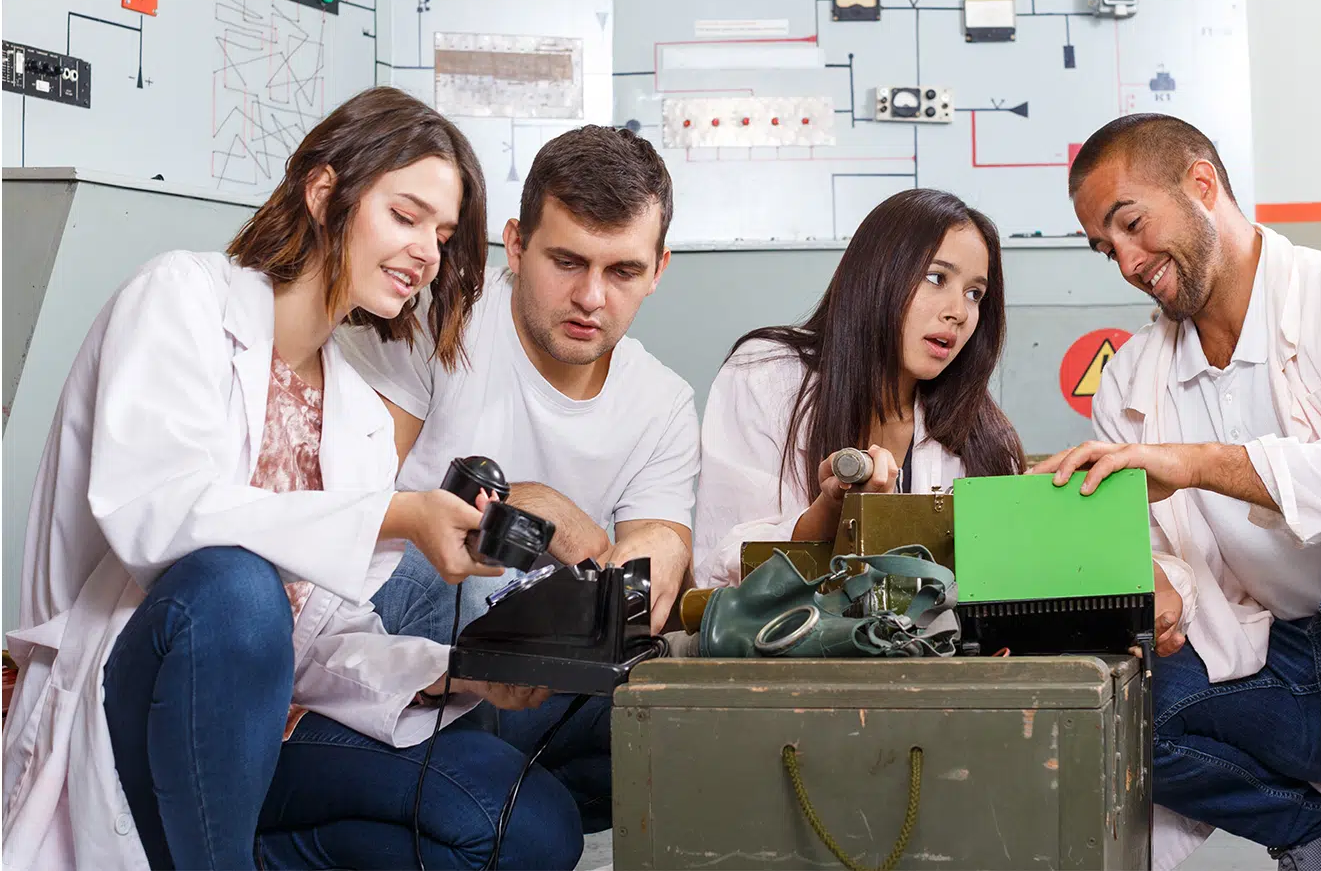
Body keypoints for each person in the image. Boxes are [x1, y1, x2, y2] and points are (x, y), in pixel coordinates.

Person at [1, 87, 585, 871]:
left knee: (531, 822)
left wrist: (460, 670)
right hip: (141, 713)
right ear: (323, 193)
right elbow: (155, 517)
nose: (427, 253)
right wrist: (397, 516)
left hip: (270, 736)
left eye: (442, 236)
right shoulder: (181, 297)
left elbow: (320, 642)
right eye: (406, 216)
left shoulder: (359, 413)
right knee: (233, 586)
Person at [1035, 113, 1321, 871]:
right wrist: (1160, 586)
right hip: (1288, 676)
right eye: (1104, 246)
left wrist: (1199, 463)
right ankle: (1297, 826)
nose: (1124, 261)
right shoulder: (1129, 381)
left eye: (1131, 224)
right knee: (1104, 692)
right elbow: (1153, 547)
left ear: (1202, 183)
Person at [338, 123, 699, 832]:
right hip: (407, 646)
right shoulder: (434, 319)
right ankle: (483, 801)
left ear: (658, 270)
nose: (592, 297)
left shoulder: (662, 401)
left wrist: (611, 573)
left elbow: (654, 560)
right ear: (515, 244)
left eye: (623, 271)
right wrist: (521, 514)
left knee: (677, 708)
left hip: (541, 680)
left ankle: (491, 805)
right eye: (567, 261)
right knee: (462, 584)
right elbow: (343, 511)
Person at [693, 188, 1026, 588]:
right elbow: (719, 567)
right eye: (936, 278)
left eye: (975, 294)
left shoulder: (982, 432)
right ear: (878, 275)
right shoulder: (766, 374)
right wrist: (829, 513)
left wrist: (1044, 498)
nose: (958, 311)